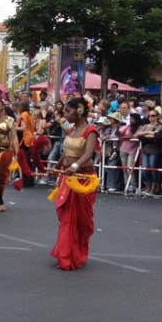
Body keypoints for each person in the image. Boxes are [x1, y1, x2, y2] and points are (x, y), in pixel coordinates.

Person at [50, 98, 100, 270]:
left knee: (78, 219)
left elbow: (89, 153)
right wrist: (57, 165)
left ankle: (72, 255)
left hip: (82, 179)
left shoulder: (90, 130)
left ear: (79, 111)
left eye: (68, 111)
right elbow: (67, 151)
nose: (65, 114)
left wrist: (74, 166)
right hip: (68, 177)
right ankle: (66, 252)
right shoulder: (72, 129)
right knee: (66, 216)